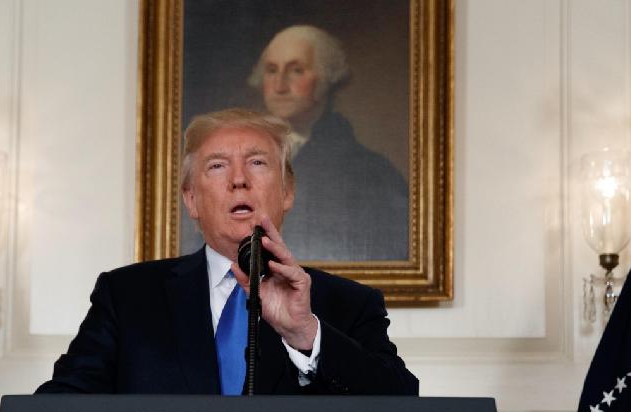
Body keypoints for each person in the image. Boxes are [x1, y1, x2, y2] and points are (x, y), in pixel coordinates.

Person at [36, 108, 417, 395]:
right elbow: (58, 410)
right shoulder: (127, 297)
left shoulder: (349, 304)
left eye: (257, 163)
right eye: (217, 166)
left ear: (287, 192)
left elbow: (401, 409)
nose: (238, 180)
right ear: (191, 199)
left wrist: (304, 332)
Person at [248, 25, 409, 261]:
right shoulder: (240, 161)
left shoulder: (372, 173)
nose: (280, 86)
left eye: (296, 70)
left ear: (326, 79)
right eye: (272, 70)